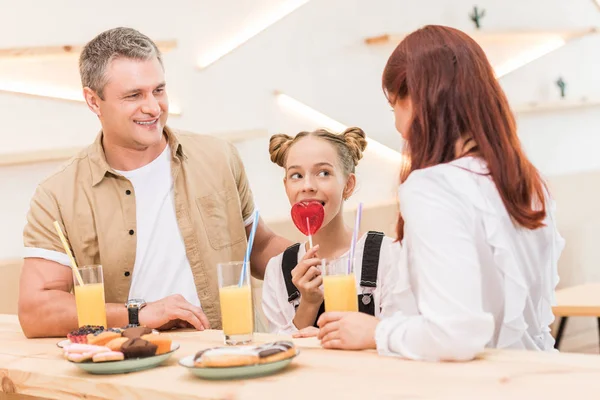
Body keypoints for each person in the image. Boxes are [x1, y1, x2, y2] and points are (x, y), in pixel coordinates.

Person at [18, 27, 290, 338]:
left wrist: (314, 261)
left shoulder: (220, 157)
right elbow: (37, 310)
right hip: (133, 366)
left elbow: (258, 245)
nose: (153, 108)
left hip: (234, 352)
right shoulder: (58, 194)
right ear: (94, 102)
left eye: (158, 90)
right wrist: (139, 314)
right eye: (134, 95)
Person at [316, 25, 565, 361]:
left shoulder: (433, 187)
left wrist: (374, 331)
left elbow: (455, 332)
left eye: (395, 108)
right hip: (535, 374)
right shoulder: (526, 181)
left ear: (419, 101)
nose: (397, 126)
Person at [261, 127, 417, 336]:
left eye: (323, 173)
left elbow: (400, 337)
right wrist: (308, 303)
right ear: (286, 186)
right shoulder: (278, 270)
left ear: (348, 185)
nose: (307, 186)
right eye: (296, 175)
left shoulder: (389, 255)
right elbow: (280, 350)